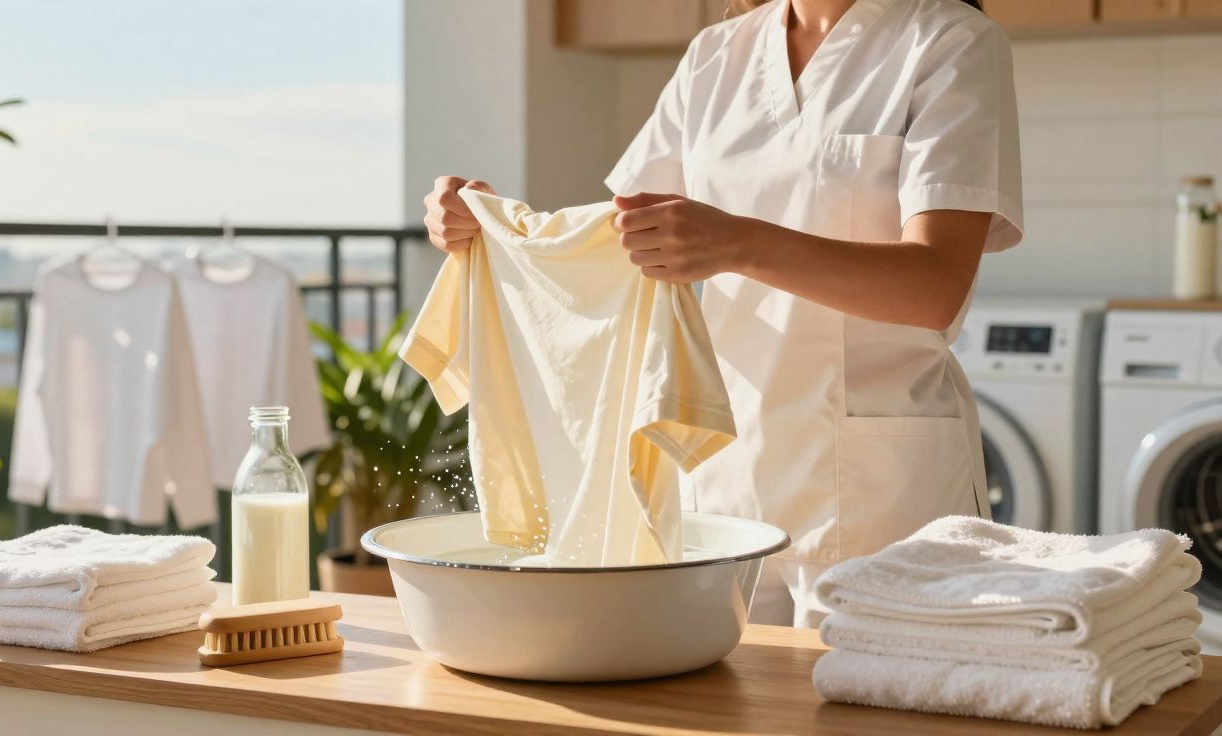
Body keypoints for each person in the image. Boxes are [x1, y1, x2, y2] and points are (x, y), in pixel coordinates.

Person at [421, 0, 1022, 628]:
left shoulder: (951, 40)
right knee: (725, 720)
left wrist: (739, 243)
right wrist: (495, 227)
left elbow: (935, 287)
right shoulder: (716, 54)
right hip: (721, 489)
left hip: (885, 495)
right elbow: (629, 243)